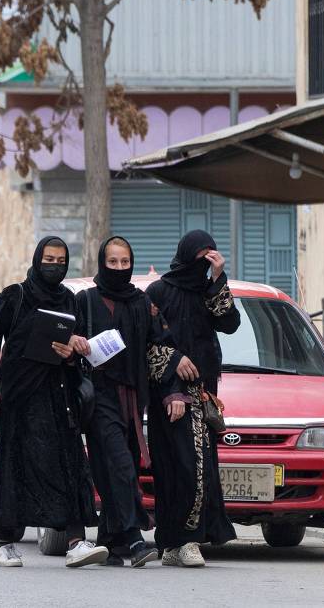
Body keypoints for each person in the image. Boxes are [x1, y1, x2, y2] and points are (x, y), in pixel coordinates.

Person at [0, 236, 103, 568]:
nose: (54, 266)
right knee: (16, 470)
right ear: (36, 259)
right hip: (20, 399)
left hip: (60, 399)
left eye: (61, 261)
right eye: (49, 259)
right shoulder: (16, 296)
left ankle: (75, 541)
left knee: (69, 467)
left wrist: (75, 349)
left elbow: (79, 348)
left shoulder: (69, 300)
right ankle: (7, 542)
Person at [75, 236, 180, 568]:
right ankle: (135, 538)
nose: (119, 268)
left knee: (120, 466)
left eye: (124, 262)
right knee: (119, 463)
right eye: (112, 262)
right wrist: (75, 342)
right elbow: (65, 338)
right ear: (101, 263)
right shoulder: (86, 301)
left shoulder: (141, 303)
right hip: (98, 397)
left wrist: (174, 388)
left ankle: (111, 540)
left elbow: (160, 347)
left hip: (134, 399)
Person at [145, 230, 240, 568]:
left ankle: (189, 539)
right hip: (166, 393)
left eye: (208, 257)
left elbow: (229, 323)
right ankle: (170, 541)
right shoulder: (158, 291)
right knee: (170, 468)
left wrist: (217, 278)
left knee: (196, 468)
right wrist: (173, 360)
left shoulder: (207, 290)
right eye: (199, 258)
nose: (202, 264)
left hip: (200, 392)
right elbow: (147, 340)